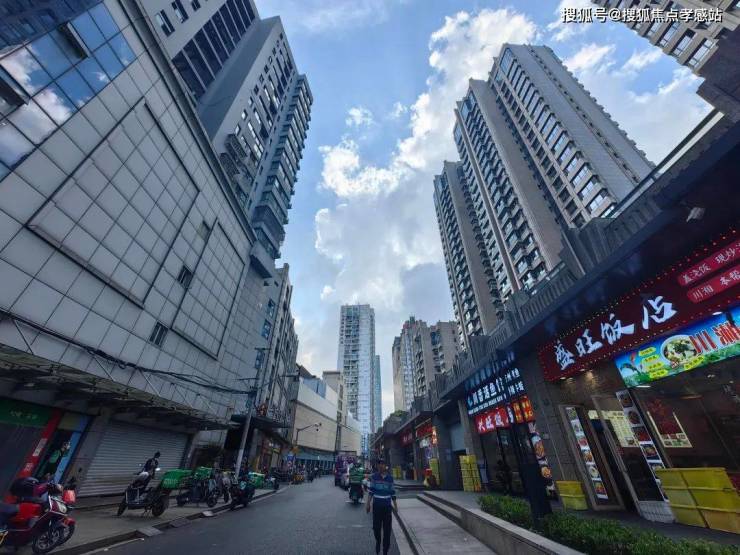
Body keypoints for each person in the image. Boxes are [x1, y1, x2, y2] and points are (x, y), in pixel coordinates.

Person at [366, 459, 397, 555]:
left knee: (387, 530)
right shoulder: (374, 477)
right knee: (376, 528)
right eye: (379, 464)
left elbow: (393, 493)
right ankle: (378, 541)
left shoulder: (390, 478)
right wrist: (368, 504)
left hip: (387, 508)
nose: (380, 466)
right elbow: (371, 491)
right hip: (377, 507)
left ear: (385, 466)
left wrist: (395, 506)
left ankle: (385, 550)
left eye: (382, 464)